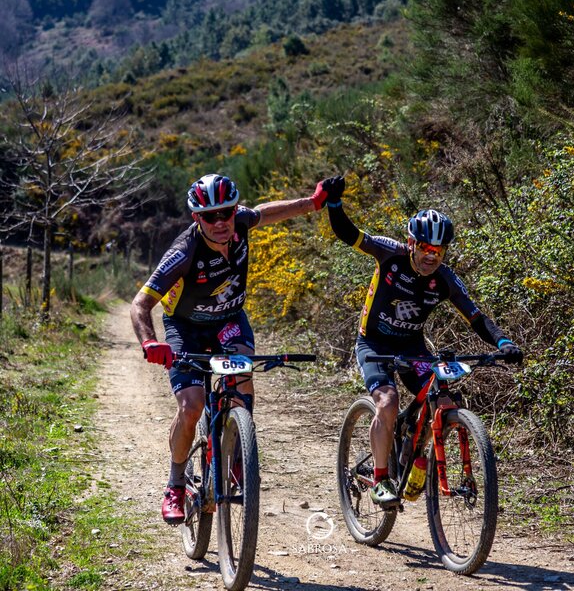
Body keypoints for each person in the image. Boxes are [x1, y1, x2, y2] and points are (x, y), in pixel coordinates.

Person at [131, 173, 332, 524]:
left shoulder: (240, 221)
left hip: (229, 320)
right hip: (185, 329)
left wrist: (313, 203)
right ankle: (175, 484)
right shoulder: (183, 252)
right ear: (197, 217)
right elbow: (140, 304)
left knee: (241, 378)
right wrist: (150, 341)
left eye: (226, 212)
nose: (221, 221)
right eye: (210, 216)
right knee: (191, 406)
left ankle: (238, 449)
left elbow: (270, 212)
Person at [322, 176, 522, 508]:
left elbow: (476, 317)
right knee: (387, 402)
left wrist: (503, 342)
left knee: (440, 397)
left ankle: (409, 456)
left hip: (412, 346)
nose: (432, 256)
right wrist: (333, 203)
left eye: (439, 251)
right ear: (412, 243)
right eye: (426, 249)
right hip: (374, 344)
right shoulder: (390, 254)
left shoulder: (444, 279)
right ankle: (381, 480)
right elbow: (349, 234)